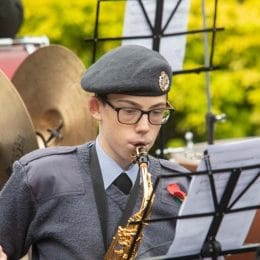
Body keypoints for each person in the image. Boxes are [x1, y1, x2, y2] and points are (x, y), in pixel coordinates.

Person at [0, 44, 189, 259]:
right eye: (129, 111)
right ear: (95, 108)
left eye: (156, 112)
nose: (144, 126)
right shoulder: (40, 176)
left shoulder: (180, 187)